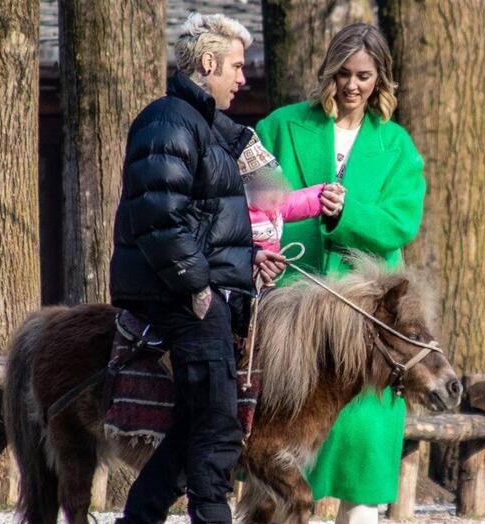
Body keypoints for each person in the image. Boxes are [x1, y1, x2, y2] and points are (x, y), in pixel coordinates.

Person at [108, 13, 285, 524]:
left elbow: (202, 220)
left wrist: (249, 260)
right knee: (217, 423)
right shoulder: (169, 120)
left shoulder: (202, 126)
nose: (242, 77)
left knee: (192, 426)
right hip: (185, 298)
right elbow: (158, 214)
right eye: (235, 65)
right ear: (208, 63)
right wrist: (198, 285)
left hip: (200, 291)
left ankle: (139, 518)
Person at [255, 23, 426, 524]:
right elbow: (248, 194)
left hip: (367, 321)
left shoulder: (396, 145)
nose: (352, 85)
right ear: (330, 71)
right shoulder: (281, 127)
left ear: (381, 79)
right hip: (292, 315)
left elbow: (401, 224)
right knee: (278, 451)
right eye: (344, 73)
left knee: (363, 443)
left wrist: (344, 214)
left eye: (364, 76)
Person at [237, 133, 340, 277]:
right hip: (245, 272)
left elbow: (294, 203)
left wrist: (321, 195)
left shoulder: (272, 206)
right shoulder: (239, 215)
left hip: (269, 273)